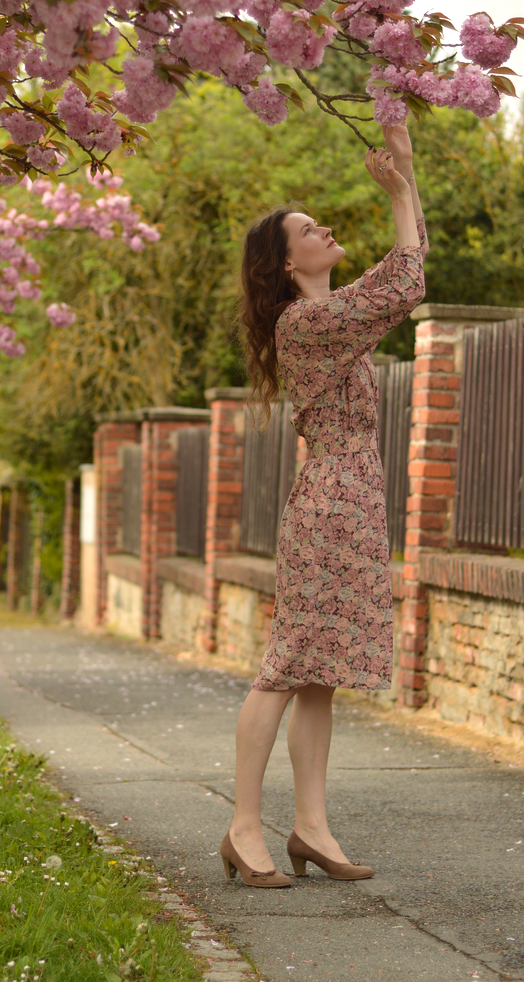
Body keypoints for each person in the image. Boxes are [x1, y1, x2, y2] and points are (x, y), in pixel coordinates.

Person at [220, 122, 428, 889]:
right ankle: (245, 825)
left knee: (318, 673)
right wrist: (399, 189)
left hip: (350, 497)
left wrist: (406, 176)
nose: (326, 228)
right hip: (332, 502)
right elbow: (407, 282)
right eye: (310, 229)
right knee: (284, 667)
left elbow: (407, 267)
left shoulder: (334, 318)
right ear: (285, 260)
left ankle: (310, 825)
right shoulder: (307, 323)